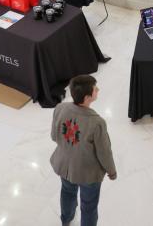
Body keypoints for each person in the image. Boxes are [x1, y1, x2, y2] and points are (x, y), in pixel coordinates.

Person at [50, 74, 116, 226]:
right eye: (95, 89)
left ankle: (66, 220)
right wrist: (111, 171)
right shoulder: (97, 122)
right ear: (87, 97)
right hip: (88, 174)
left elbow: (54, 136)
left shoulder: (60, 108)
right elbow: (104, 152)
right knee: (89, 206)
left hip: (64, 166)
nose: (98, 90)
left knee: (67, 192)